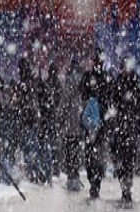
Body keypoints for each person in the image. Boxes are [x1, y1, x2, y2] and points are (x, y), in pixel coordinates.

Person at [110, 56, 140, 207]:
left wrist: (136, 124)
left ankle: (127, 189)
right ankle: (124, 187)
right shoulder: (119, 81)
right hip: (121, 128)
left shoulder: (133, 81)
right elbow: (113, 102)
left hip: (128, 128)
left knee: (128, 160)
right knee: (121, 159)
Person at [79, 48, 112, 200]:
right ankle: (95, 182)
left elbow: (83, 95)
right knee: (93, 155)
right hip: (96, 124)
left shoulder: (95, 77)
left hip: (94, 124)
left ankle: (95, 183)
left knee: (93, 155)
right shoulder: (102, 77)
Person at [59, 58, 84, 190]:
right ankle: (76, 175)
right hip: (79, 123)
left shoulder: (69, 82)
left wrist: (60, 118)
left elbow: (64, 103)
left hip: (70, 124)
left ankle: (71, 178)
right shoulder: (83, 80)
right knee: (76, 150)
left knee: (69, 151)